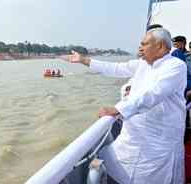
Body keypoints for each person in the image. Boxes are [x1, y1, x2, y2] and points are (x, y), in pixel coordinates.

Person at [65, 28, 187, 184]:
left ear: (161, 47)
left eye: (145, 44)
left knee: (155, 176)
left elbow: (154, 93)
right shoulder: (143, 64)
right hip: (135, 135)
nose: (140, 48)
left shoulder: (175, 66)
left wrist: (118, 109)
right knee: (120, 165)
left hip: (159, 138)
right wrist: (83, 60)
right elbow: (116, 68)